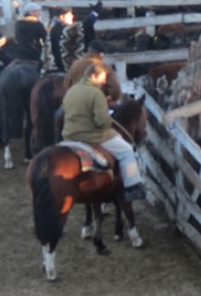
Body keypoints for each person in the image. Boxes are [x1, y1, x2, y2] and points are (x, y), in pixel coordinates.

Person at [62, 62, 145, 202]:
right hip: (92, 135)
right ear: (94, 76)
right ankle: (132, 187)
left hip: (70, 134)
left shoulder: (72, 90)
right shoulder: (96, 93)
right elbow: (102, 122)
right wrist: (108, 120)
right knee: (127, 150)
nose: (104, 81)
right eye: (103, 78)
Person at [14, 2, 47, 67]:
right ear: (31, 12)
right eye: (38, 11)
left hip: (21, 53)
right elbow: (45, 38)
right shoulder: (37, 24)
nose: (39, 13)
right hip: (34, 54)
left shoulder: (18, 24)